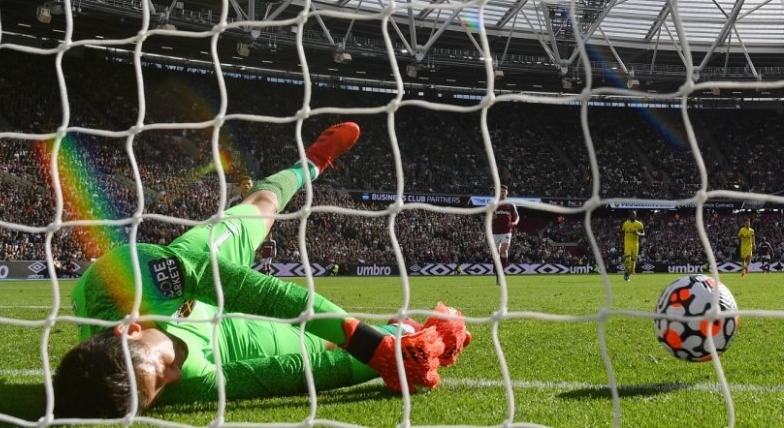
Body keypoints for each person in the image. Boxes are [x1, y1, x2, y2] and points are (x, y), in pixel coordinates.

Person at [52, 123, 471, 418]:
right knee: (317, 349)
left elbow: (265, 295)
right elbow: (290, 376)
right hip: (219, 336)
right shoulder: (181, 382)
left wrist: (369, 345)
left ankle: (311, 162)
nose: (175, 378)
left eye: (161, 371)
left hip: (197, 273)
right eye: (159, 391)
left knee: (261, 208)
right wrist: (402, 351)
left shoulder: (125, 277)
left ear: (128, 329)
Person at [490, 186, 520, 285]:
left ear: (507, 193)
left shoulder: (510, 204)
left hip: (507, 231)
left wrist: (515, 223)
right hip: (495, 232)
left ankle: (500, 273)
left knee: (504, 249)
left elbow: (516, 216)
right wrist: (492, 217)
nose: (502, 193)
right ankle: (498, 274)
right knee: (496, 254)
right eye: (501, 191)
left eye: (504, 191)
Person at [621, 210, 644, 282]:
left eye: (634, 215)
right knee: (628, 259)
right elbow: (622, 232)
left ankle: (628, 273)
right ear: (629, 215)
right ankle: (626, 271)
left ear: (636, 215)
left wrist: (638, 233)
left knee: (633, 262)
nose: (633, 216)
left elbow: (643, 233)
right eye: (631, 215)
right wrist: (623, 240)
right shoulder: (625, 224)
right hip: (627, 243)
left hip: (635, 244)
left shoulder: (639, 224)